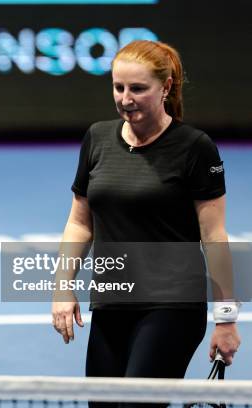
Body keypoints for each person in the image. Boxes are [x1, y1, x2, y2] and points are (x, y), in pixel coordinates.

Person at [51, 40, 241, 394]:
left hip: (173, 305)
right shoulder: (97, 138)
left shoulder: (195, 148)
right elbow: (79, 221)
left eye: (138, 89)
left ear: (165, 88)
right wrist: (63, 287)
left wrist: (226, 319)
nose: (125, 98)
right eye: (118, 87)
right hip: (112, 302)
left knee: (136, 405)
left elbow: (214, 236)